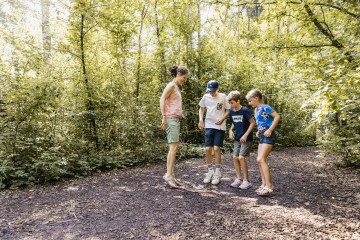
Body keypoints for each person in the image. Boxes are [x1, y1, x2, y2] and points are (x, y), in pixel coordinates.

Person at [246, 89, 280, 196]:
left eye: (250, 101)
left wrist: (270, 130)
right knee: (258, 160)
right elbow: (261, 122)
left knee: (261, 159)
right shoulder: (256, 110)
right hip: (262, 135)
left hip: (269, 136)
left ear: (256, 99)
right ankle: (264, 184)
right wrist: (258, 131)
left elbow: (277, 117)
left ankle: (269, 185)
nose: (249, 103)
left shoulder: (266, 107)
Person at [160, 65, 189, 188]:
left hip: (175, 119)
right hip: (170, 119)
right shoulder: (171, 85)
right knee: (173, 148)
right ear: (178, 75)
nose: (185, 80)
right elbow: (162, 99)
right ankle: (168, 176)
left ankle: (171, 175)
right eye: (184, 77)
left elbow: (172, 103)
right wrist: (164, 117)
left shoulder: (176, 87)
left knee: (174, 148)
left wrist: (180, 113)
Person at [198, 80, 230, 185]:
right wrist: (201, 120)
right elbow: (201, 108)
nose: (211, 92)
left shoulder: (223, 97)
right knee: (208, 149)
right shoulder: (206, 97)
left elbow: (228, 110)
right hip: (209, 125)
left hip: (220, 126)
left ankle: (217, 172)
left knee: (216, 148)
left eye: (213, 90)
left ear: (218, 89)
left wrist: (222, 119)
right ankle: (210, 171)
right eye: (209, 90)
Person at [227, 91, 256, 190]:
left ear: (238, 101)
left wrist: (246, 134)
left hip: (246, 138)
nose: (231, 105)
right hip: (237, 138)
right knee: (235, 157)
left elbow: (252, 122)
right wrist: (231, 130)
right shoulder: (231, 111)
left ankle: (246, 181)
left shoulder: (244, 110)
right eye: (230, 103)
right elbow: (234, 122)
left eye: (232, 103)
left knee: (241, 157)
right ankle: (239, 179)